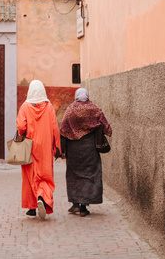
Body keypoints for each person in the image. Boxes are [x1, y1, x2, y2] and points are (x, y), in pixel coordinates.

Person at [59, 88, 112, 217]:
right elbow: (107, 127)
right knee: (89, 175)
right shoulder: (95, 109)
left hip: (74, 149)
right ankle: (83, 206)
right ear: (87, 96)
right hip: (90, 149)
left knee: (74, 175)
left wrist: (62, 149)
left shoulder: (70, 109)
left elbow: (63, 130)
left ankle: (75, 204)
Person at [16, 80, 61, 219]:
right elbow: (54, 128)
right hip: (45, 147)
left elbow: (21, 127)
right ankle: (42, 197)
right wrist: (57, 147)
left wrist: (22, 134)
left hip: (29, 146)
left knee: (30, 175)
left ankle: (31, 208)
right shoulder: (49, 107)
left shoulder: (25, 106)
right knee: (45, 175)